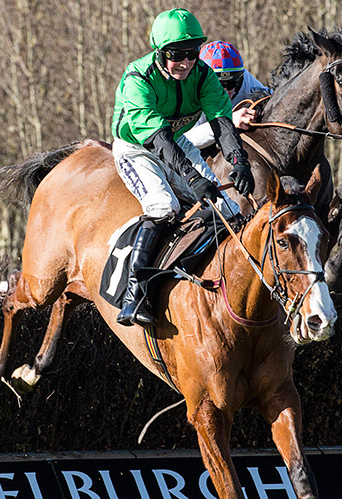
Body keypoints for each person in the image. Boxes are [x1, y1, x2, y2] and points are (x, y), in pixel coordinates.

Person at [111, 8, 254, 327]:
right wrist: (193, 178)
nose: (186, 63)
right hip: (138, 147)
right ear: (159, 53)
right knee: (164, 207)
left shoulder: (203, 74)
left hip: (177, 141)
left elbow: (222, 123)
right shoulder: (138, 78)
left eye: (191, 54)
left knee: (228, 210)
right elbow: (158, 141)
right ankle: (136, 294)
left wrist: (238, 161)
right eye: (177, 55)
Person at [184, 40, 273, 150]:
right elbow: (185, 141)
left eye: (231, 84)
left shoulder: (244, 78)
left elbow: (272, 100)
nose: (225, 91)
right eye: (218, 85)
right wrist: (228, 121)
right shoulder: (189, 92)